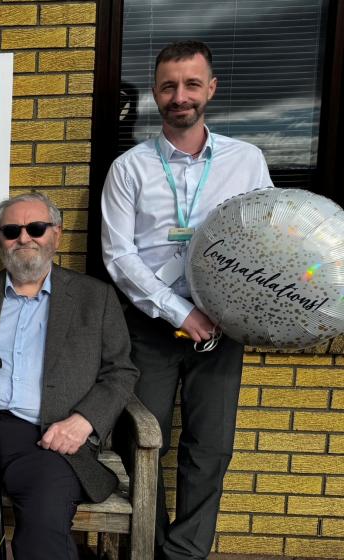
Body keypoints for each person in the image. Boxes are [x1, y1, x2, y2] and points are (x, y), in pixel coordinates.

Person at [101, 41, 273, 560]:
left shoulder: (247, 161)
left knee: (210, 446)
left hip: (223, 327)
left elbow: (270, 236)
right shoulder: (129, 168)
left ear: (211, 89)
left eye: (192, 84)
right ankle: (147, 546)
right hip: (150, 325)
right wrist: (180, 312)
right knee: (142, 440)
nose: (180, 96)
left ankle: (185, 554)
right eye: (169, 86)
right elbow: (118, 255)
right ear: (156, 94)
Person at [0, 192, 139, 560]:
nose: (24, 238)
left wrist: (83, 422)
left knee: (44, 528)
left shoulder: (94, 298)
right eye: (11, 231)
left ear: (56, 235)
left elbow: (121, 372)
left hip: (50, 436)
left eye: (36, 228)